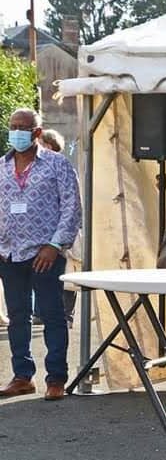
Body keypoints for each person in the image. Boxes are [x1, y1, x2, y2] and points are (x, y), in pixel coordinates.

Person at [0, 109, 82, 400]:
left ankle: (56, 378)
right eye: (13, 126)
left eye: (23, 127)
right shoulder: (2, 167)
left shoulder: (57, 165)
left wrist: (54, 245)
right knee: (17, 315)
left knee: (51, 314)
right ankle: (22, 376)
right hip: (9, 254)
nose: (17, 132)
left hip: (44, 253)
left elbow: (72, 207)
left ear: (37, 132)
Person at [36, 128, 79, 326]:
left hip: (62, 237)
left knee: (69, 275)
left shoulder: (63, 167)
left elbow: (72, 205)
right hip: (39, 241)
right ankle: (41, 313)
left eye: (41, 142)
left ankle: (66, 314)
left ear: (50, 145)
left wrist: (58, 240)